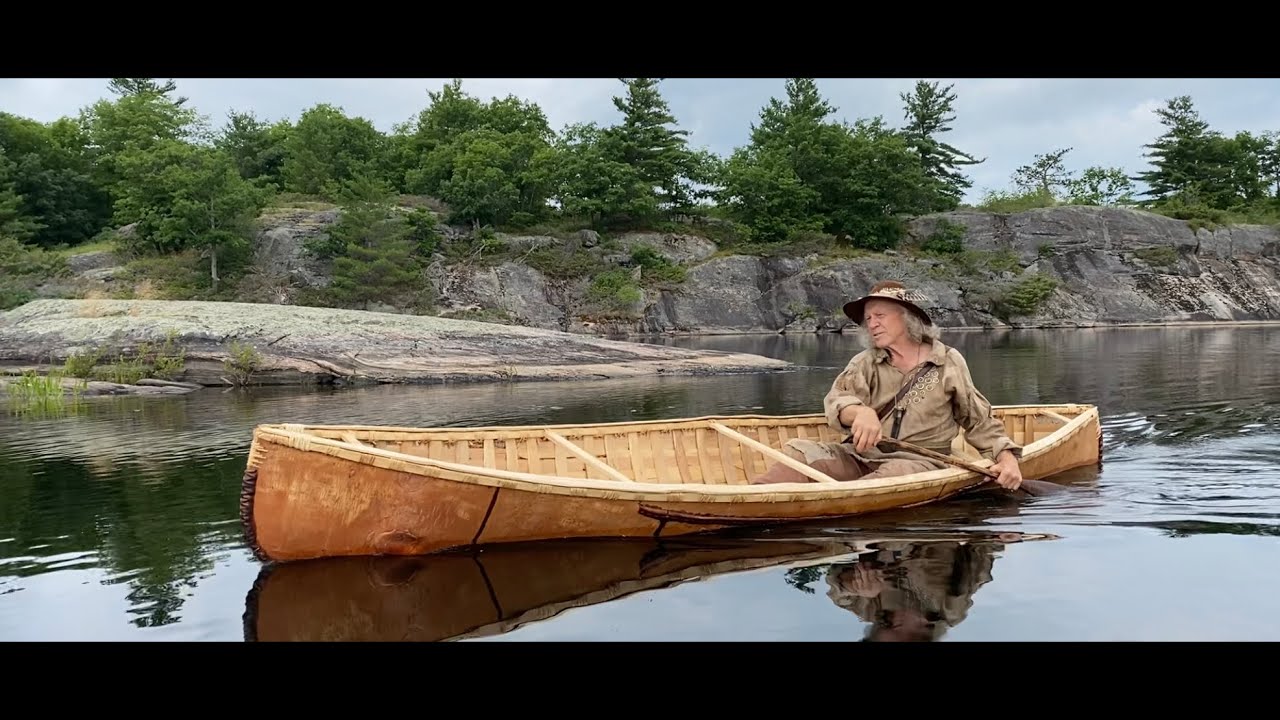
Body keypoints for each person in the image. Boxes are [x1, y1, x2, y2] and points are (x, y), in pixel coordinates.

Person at [750, 279, 1024, 490]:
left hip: (920, 462)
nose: (872, 324)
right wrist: (861, 413)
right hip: (861, 457)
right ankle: (755, 499)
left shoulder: (948, 361)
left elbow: (978, 420)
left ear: (907, 317)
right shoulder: (865, 362)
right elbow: (837, 401)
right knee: (802, 452)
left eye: (880, 315)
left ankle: (847, 506)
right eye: (868, 319)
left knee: (895, 474)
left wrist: (1007, 458)